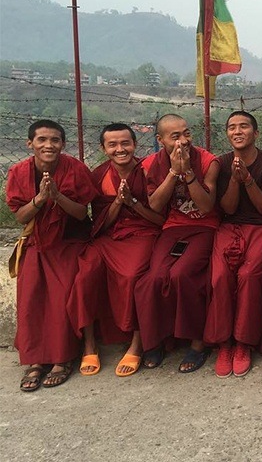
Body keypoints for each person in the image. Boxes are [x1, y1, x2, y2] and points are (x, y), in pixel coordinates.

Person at [6, 119, 97, 391]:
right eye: (42, 140)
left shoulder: (75, 169)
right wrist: (40, 199)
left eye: (55, 140)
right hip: (38, 241)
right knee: (31, 293)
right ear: (30, 144)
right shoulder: (18, 172)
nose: (49, 145)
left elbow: (82, 213)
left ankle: (61, 358)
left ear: (63, 144)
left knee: (62, 293)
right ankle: (35, 360)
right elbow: (21, 216)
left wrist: (56, 195)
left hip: (71, 240)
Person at [67, 123, 164, 378]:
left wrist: (131, 202)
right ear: (103, 148)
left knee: (133, 276)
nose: (120, 149)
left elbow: (160, 221)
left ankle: (137, 344)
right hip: (108, 237)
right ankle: (89, 345)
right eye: (113, 145)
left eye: (125, 143)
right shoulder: (98, 175)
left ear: (135, 145)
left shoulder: (149, 171)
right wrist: (118, 202)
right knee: (84, 277)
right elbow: (100, 222)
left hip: (143, 234)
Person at [134, 114, 220, 373]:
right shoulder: (150, 164)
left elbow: (206, 208)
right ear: (160, 140)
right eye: (175, 137)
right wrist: (173, 173)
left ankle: (197, 343)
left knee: (182, 274)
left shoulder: (208, 161)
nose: (183, 141)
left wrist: (189, 174)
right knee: (154, 278)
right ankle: (157, 340)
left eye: (187, 133)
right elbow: (156, 205)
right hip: (173, 226)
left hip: (205, 227)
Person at [204, 111, 262, 378]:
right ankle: (224, 343)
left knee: (249, 276)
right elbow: (227, 207)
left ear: (255, 133)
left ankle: (244, 343)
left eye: (244, 127)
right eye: (232, 127)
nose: (237, 131)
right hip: (229, 226)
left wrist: (248, 179)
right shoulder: (221, 163)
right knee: (220, 277)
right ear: (227, 134)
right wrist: (235, 181)